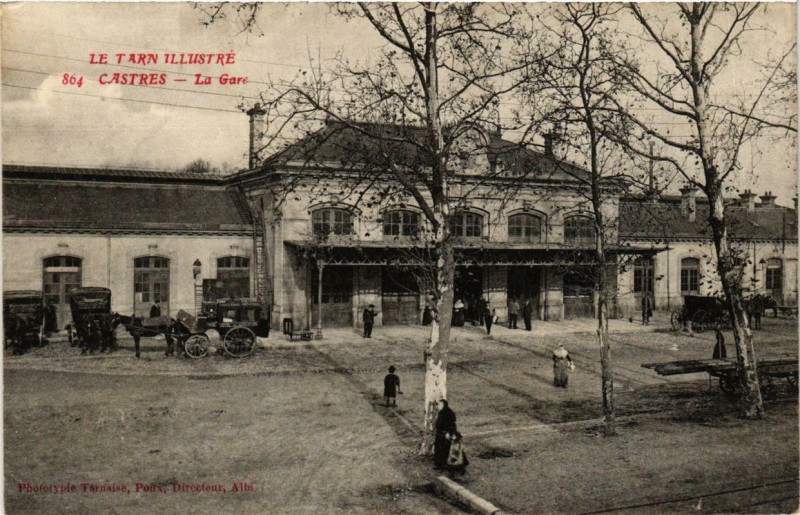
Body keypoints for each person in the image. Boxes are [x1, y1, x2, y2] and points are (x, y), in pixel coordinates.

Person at [434, 399, 457, 470]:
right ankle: (439, 464)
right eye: (438, 405)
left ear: (444, 405)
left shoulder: (448, 413)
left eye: (440, 405)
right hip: (440, 433)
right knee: (439, 448)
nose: (438, 406)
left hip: (445, 434)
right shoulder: (442, 412)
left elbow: (451, 424)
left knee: (444, 449)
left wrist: (448, 433)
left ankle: (443, 464)